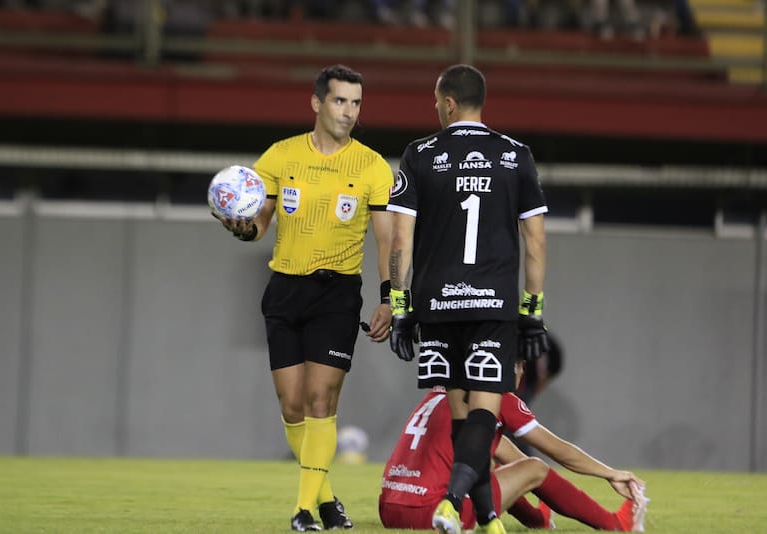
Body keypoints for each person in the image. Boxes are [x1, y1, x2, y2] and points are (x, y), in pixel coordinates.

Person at [212, 64, 394, 532]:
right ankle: (327, 501)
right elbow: (259, 224)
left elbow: (387, 239)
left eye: (356, 103)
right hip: (284, 290)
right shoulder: (280, 156)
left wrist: (389, 296)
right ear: (317, 103)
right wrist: (241, 228)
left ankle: (303, 510)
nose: (349, 112)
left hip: (337, 293)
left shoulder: (372, 166)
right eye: (340, 101)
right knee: (292, 406)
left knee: (320, 399)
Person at [386, 63, 549, 534]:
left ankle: (490, 521)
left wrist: (400, 308)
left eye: (437, 102)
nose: (435, 108)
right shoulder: (515, 155)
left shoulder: (419, 154)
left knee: (461, 417)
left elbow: (400, 241)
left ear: (449, 103)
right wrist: (532, 312)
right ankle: (451, 502)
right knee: (484, 414)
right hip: (492, 304)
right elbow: (536, 240)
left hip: (436, 304)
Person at [379, 357, 648, 532]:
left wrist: (538, 498)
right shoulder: (498, 397)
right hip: (430, 513)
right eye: (520, 366)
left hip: (390, 510)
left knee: (489, 467)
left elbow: (514, 464)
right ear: (514, 368)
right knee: (535, 467)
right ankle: (616, 524)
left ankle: (538, 520)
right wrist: (611, 473)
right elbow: (558, 452)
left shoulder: (442, 393)